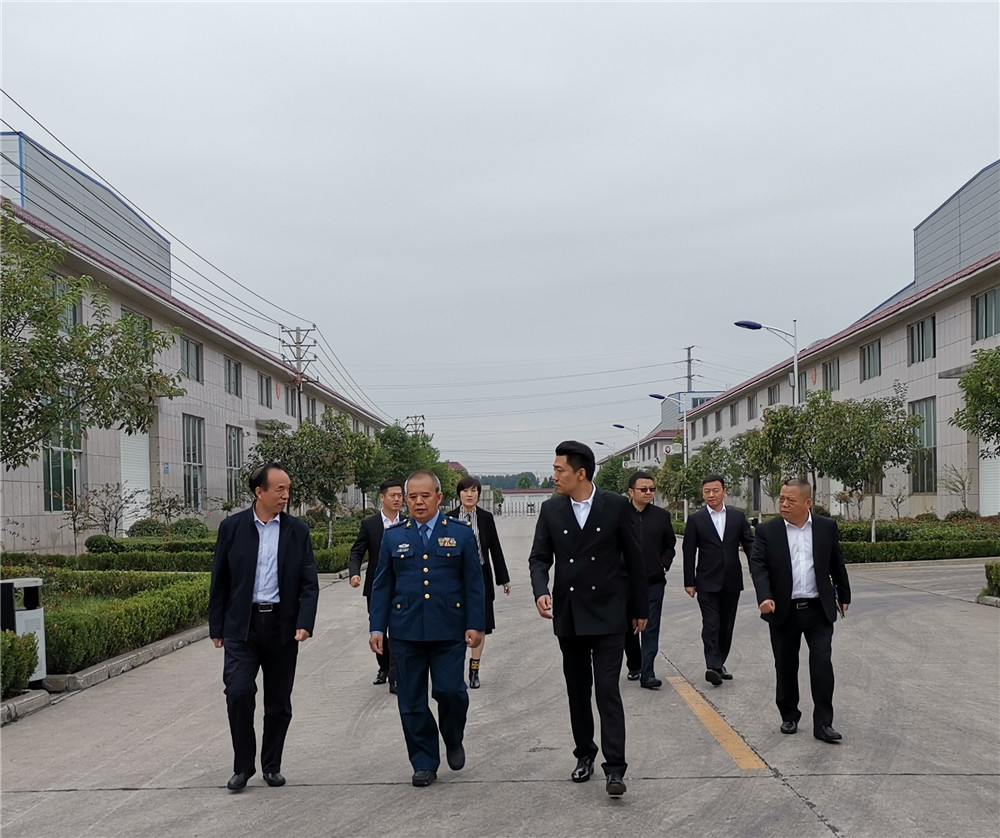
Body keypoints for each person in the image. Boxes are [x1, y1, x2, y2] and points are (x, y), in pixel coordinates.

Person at [528, 441, 648, 798]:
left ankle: (616, 768)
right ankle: (584, 753)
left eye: (559, 470)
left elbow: (635, 559)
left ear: (580, 473)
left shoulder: (615, 505)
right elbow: (539, 558)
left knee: (608, 690)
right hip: (570, 614)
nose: (554, 476)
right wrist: (540, 589)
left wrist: (640, 609)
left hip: (609, 612)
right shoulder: (552, 509)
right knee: (578, 690)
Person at [369, 470, 486, 787]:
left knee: (451, 691)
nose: (418, 502)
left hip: (448, 629)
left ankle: (453, 735)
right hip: (406, 631)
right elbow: (382, 585)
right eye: (412, 497)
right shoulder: (394, 536)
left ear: (439, 497)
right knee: (411, 701)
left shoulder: (460, 533)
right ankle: (423, 761)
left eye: (425, 496)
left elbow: (474, 584)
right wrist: (377, 627)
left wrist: (476, 624)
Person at [209, 463, 319, 792]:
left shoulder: (297, 530)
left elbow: (309, 582)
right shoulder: (232, 528)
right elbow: (220, 579)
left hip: (282, 626)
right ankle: (243, 767)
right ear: (259, 492)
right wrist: (217, 625)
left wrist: (305, 622)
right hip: (242, 626)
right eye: (279, 489)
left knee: (278, 702)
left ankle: (272, 765)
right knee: (238, 692)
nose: (286, 495)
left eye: (288, 489)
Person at [749, 478, 851, 743]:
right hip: (784, 609)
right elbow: (758, 566)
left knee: (822, 665)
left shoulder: (826, 527)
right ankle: (789, 714)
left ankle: (824, 724)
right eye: (781, 498)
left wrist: (845, 594)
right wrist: (765, 596)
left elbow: (836, 562)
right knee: (785, 664)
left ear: (808, 503)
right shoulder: (767, 530)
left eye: (790, 500)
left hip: (818, 609)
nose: (783, 504)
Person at [682, 474, 755, 687]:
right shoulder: (696, 519)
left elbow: (750, 545)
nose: (711, 495)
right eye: (707, 491)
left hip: (731, 580)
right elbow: (688, 551)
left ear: (724, 491)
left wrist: (758, 572)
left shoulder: (737, 517)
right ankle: (712, 666)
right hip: (706, 581)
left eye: (715, 490)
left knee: (726, 625)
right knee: (711, 624)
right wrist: (689, 581)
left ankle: (720, 663)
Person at [447, 475, 511, 688]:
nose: (469, 494)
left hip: (480, 576)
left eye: (473, 491)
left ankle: (474, 670)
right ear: (459, 494)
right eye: (465, 491)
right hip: (455, 578)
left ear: (478, 494)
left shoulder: (485, 518)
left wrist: (504, 579)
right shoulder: (448, 519)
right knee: (455, 623)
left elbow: (495, 549)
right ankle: (455, 669)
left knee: (479, 623)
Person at [349, 478, 405, 692]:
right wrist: (354, 573)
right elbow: (357, 551)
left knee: (398, 630)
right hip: (376, 587)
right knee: (379, 628)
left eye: (400, 495)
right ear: (382, 497)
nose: (397, 499)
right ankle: (384, 667)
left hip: (402, 587)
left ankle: (396, 675)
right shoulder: (370, 524)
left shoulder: (408, 523)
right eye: (393, 495)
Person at [621, 471, 675, 690]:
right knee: (628, 627)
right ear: (631, 491)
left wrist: (663, 564)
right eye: (643, 489)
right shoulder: (619, 516)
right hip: (625, 582)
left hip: (653, 581)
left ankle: (648, 672)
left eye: (652, 489)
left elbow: (670, 545)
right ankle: (634, 664)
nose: (648, 493)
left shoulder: (662, 517)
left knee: (650, 627)